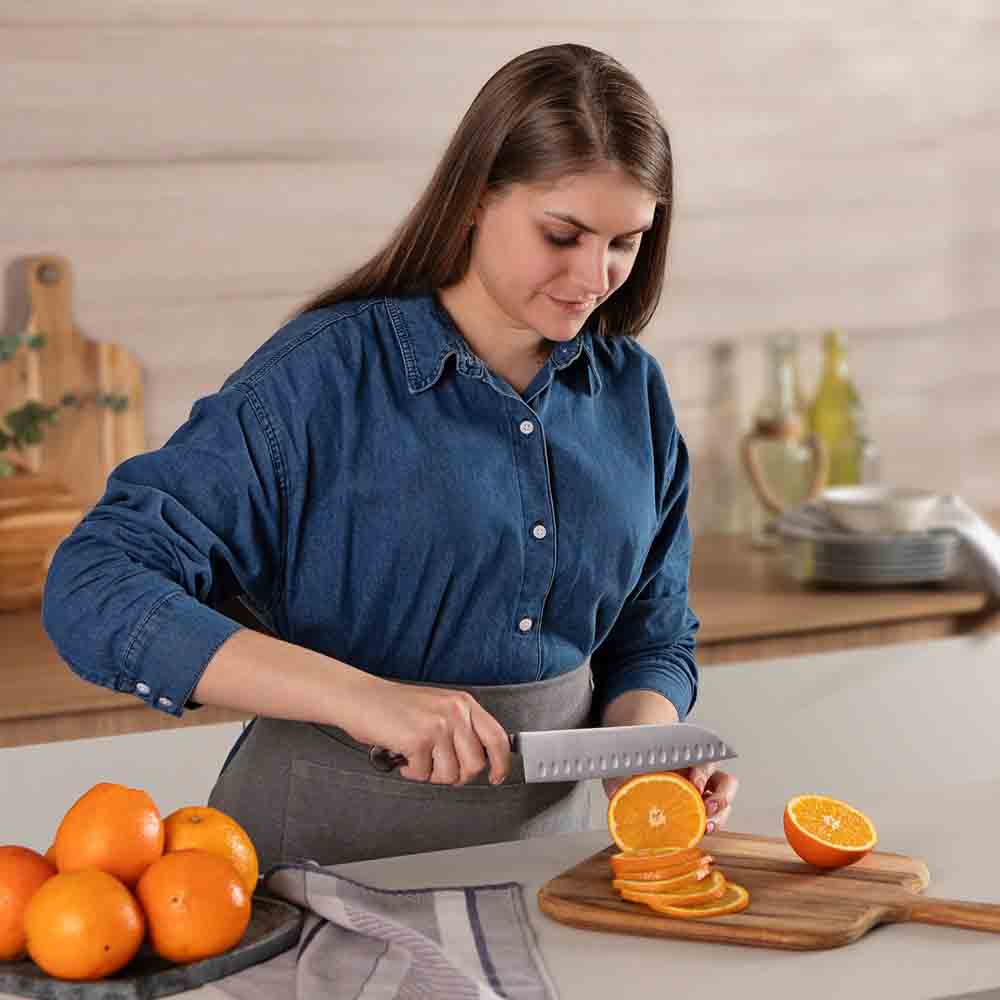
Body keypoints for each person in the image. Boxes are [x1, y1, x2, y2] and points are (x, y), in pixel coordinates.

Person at [43, 43, 739, 870]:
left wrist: (643, 756)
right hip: (309, 875)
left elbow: (650, 634)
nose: (595, 277)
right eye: (563, 234)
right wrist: (362, 699)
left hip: (547, 877)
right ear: (476, 198)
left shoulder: (632, 392)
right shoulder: (322, 376)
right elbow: (94, 584)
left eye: (626, 242)